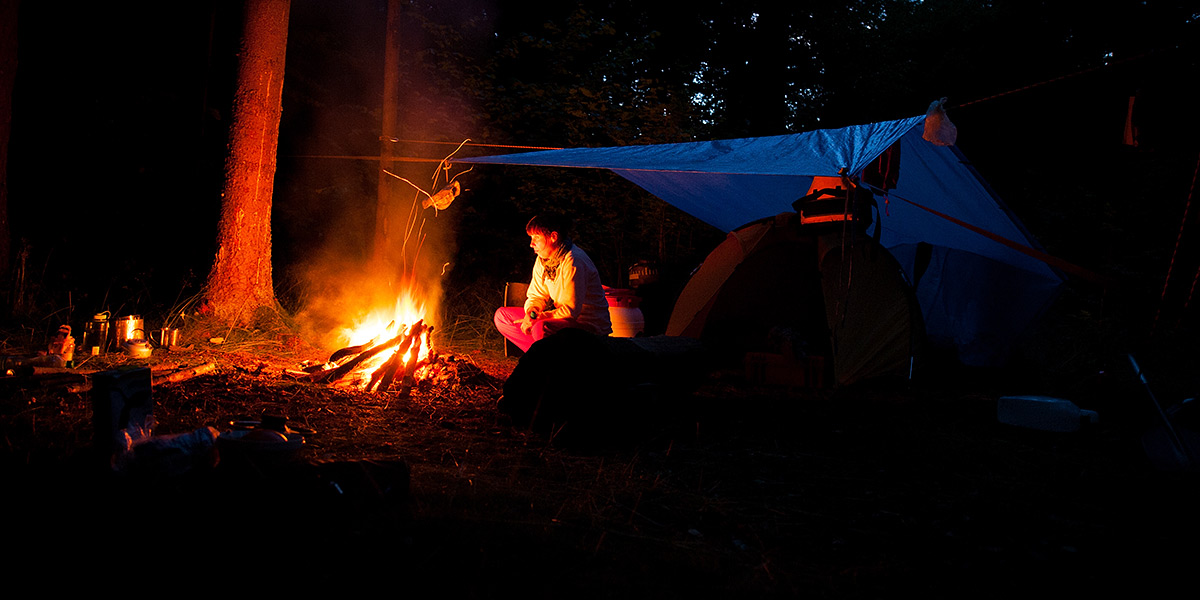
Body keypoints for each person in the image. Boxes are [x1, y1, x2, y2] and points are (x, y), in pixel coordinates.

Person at [494, 214, 612, 353]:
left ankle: (549, 357)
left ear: (553, 237)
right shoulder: (543, 260)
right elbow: (536, 295)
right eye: (531, 238)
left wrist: (539, 318)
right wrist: (531, 314)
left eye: (536, 237)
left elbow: (570, 311)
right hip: (563, 322)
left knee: (541, 327)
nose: (531, 244)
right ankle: (543, 355)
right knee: (503, 316)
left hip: (589, 328)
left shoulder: (573, 261)